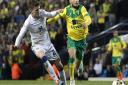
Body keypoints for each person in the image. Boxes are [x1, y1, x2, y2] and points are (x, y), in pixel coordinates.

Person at [14, 0, 67, 85]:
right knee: (43, 56)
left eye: (39, 9)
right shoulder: (28, 22)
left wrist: (58, 11)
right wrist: (16, 45)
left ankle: (64, 83)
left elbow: (50, 14)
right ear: (31, 10)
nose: (38, 11)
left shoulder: (42, 12)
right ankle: (56, 80)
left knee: (60, 66)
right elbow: (20, 35)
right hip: (37, 46)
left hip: (48, 45)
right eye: (36, 10)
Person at [47, 0, 91, 85]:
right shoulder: (66, 10)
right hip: (71, 38)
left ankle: (80, 63)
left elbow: (89, 19)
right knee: (72, 56)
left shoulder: (82, 8)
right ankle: (72, 80)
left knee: (77, 63)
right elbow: (56, 17)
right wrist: (45, 22)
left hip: (81, 40)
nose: (77, 1)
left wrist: (86, 23)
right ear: (70, 1)